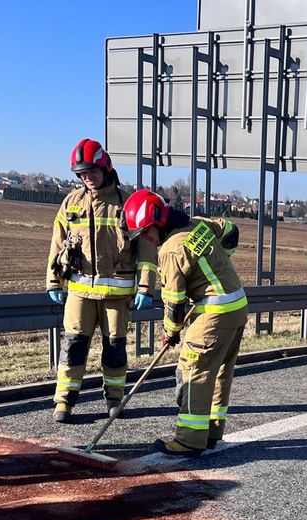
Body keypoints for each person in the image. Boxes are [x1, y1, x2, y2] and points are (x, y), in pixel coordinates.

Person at [121, 189, 245, 456]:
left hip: (214, 312)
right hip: (236, 306)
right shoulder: (197, 224)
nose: (146, 239)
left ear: (157, 223)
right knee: (220, 370)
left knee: (195, 369)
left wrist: (171, 332)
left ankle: (189, 440)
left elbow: (174, 302)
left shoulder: (170, 250)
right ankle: (211, 431)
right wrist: (222, 257)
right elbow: (231, 231)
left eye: (145, 233)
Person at [45, 138, 159, 422]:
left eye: (92, 172)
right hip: (79, 292)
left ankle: (115, 400)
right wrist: (53, 281)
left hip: (116, 296)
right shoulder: (71, 202)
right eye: (82, 174)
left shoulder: (126, 204)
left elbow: (146, 251)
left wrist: (146, 286)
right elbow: (57, 244)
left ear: (106, 168)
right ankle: (64, 402)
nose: (88, 178)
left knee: (115, 350)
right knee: (73, 348)